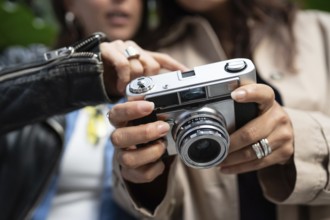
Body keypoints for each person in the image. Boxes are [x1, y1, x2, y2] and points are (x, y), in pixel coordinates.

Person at [108, 0, 330, 220]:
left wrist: (300, 139)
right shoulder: (151, 60)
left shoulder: (321, 33)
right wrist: (143, 178)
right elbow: (138, 205)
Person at [0, 0, 186, 219]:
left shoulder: (164, 80)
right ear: (70, 5)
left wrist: (148, 182)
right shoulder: (23, 62)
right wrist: (83, 76)